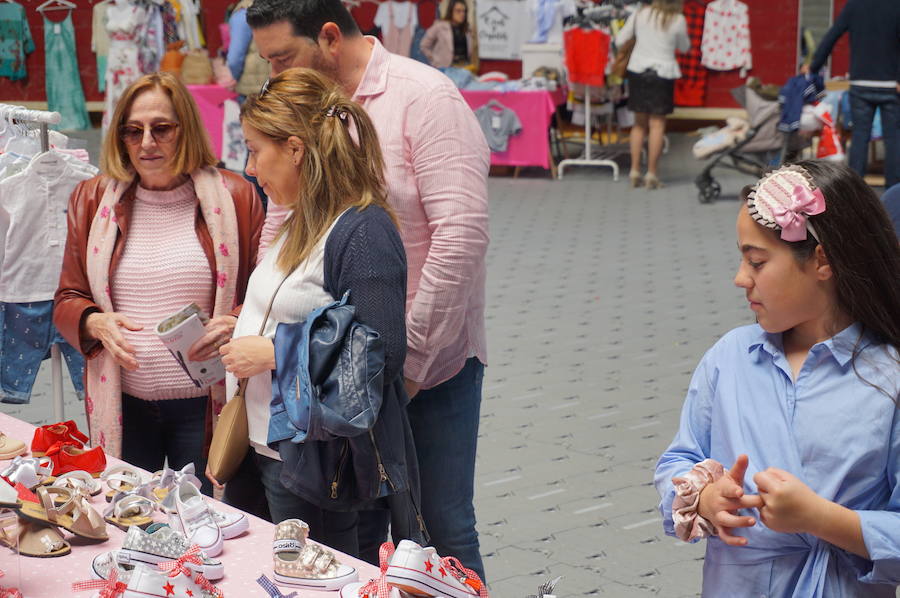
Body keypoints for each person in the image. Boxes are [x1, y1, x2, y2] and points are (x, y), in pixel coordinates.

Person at [244, 0, 490, 579]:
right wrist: (254, 314)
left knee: (437, 529)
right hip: (333, 377)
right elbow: (284, 216)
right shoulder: (303, 105)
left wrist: (408, 365)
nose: (275, 73)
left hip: (429, 367)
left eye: (282, 57)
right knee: (356, 536)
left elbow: (461, 234)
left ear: (329, 37)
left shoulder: (424, 98)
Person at [655, 160, 900, 596]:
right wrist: (705, 499)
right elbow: (680, 458)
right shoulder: (729, 358)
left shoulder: (889, 378)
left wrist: (820, 519)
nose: (739, 278)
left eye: (756, 261)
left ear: (822, 260)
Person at [210, 67, 413, 557]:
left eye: (257, 150)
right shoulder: (301, 219)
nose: (250, 167)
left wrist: (276, 350)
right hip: (260, 450)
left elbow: (382, 356)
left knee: (315, 578)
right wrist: (246, 325)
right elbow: (307, 310)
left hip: (312, 464)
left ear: (296, 149)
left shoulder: (363, 232)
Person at [54, 72, 264, 494]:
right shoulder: (92, 198)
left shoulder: (236, 196)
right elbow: (67, 298)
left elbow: (266, 291)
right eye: (132, 131)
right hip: (124, 405)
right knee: (129, 523)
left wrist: (235, 320)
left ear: (185, 128)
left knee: (208, 524)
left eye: (161, 128)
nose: (146, 142)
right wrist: (94, 323)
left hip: (207, 404)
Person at [807, 0, 900, 188]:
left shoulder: (854, 5)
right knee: (893, 139)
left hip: (860, 82)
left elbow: (832, 36)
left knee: (860, 136)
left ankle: (855, 191)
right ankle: (893, 193)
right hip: (891, 84)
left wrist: (813, 67)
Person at [616, 0, 690, 189]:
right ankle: (652, 174)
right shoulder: (678, 19)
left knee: (639, 124)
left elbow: (619, 39)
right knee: (657, 126)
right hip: (663, 74)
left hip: (638, 72)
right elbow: (684, 47)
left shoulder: (640, 14)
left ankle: (634, 171)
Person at [419, 0, 475, 70]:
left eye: (464, 11)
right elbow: (424, 45)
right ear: (451, 11)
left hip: (464, 68)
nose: (462, 14)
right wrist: (435, 61)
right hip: (445, 69)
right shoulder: (440, 26)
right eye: (458, 11)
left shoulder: (467, 29)